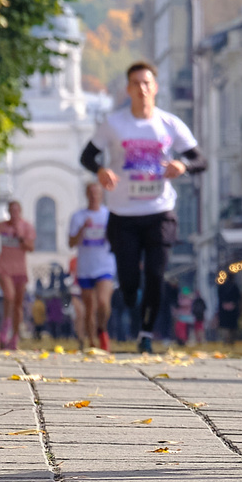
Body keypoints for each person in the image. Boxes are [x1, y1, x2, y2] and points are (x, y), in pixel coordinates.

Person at [80, 60, 205, 355]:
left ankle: (146, 335)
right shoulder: (114, 124)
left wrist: (182, 165)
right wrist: (100, 171)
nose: (142, 89)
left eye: (147, 83)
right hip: (123, 214)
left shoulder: (169, 124)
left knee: (155, 273)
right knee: (129, 280)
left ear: (155, 88)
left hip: (160, 210)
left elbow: (201, 160)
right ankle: (134, 306)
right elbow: (87, 156)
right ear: (128, 89)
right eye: (136, 84)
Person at [66, 179, 117, 352]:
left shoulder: (109, 215)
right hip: (85, 267)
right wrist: (82, 229)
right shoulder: (78, 216)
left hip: (105, 265)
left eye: (97, 193)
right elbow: (71, 242)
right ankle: (92, 342)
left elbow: (117, 241)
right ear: (87, 195)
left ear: (102, 195)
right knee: (89, 308)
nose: (94, 196)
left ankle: (102, 330)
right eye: (91, 193)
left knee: (103, 302)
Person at [0, 198, 35, 351]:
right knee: (9, 296)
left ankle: (14, 336)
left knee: (18, 305)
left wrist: (21, 237)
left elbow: (30, 247)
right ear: (8, 212)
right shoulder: (2, 226)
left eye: (16, 210)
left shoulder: (26, 227)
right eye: (11, 210)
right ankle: (5, 328)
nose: (14, 213)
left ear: (20, 212)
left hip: (20, 269)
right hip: (4, 267)